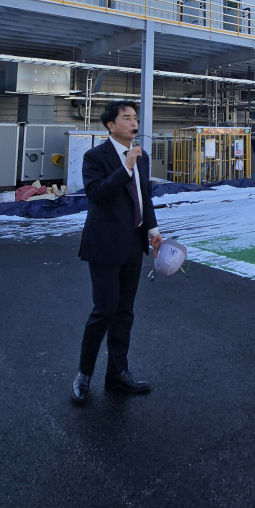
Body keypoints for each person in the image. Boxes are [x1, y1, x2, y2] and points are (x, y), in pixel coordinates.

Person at [71, 100, 163, 405]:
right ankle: (84, 374)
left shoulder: (140, 157)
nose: (134, 123)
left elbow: (144, 197)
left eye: (135, 117)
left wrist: (153, 230)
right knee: (104, 311)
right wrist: (125, 168)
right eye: (126, 118)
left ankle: (117, 374)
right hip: (105, 245)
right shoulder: (95, 157)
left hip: (133, 245)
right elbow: (96, 194)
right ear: (111, 125)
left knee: (124, 312)